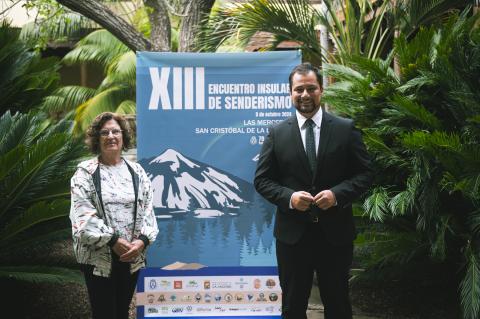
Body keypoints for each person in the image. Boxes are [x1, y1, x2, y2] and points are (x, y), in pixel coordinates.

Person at [254, 63, 373, 319]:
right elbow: (262, 180)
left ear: (321, 90)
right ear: (290, 93)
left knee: (338, 304)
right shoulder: (276, 134)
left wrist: (337, 195)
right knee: (293, 307)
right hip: (293, 237)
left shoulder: (345, 129)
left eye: (311, 88)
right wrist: (290, 197)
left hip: (335, 235)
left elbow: (365, 174)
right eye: (299, 89)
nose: (305, 94)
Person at [70, 112, 158, 319]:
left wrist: (142, 241)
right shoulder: (85, 173)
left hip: (131, 257)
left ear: (123, 137)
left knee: (121, 312)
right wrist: (113, 240)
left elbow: (148, 211)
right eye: (105, 132)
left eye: (116, 131)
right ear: (96, 138)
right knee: (104, 313)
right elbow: (82, 217)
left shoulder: (137, 172)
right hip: (99, 259)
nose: (111, 136)